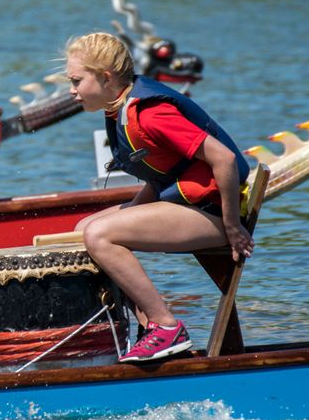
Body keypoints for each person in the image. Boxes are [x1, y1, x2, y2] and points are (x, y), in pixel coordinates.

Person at [66, 32, 254, 363]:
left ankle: (166, 327)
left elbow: (223, 159)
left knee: (99, 234)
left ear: (106, 78)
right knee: (85, 227)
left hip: (212, 215)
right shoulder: (121, 110)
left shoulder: (151, 114)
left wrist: (233, 226)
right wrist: (121, 217)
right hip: (190, 207)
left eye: (76, 81)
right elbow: (162, 178)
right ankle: (145, 326)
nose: (72, 90)